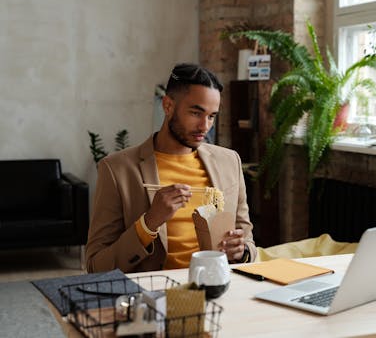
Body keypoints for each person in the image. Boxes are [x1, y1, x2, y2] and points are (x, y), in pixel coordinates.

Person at [86, 63, 256, 273]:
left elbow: (248, 242)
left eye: (212, 116)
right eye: (196, 113)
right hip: (157, 293)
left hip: (219, 289)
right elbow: (96, 266)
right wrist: (149, 222)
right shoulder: (117, 170)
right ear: (167, 106)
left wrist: (242, 252)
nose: (205, 126)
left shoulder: (230, 162)